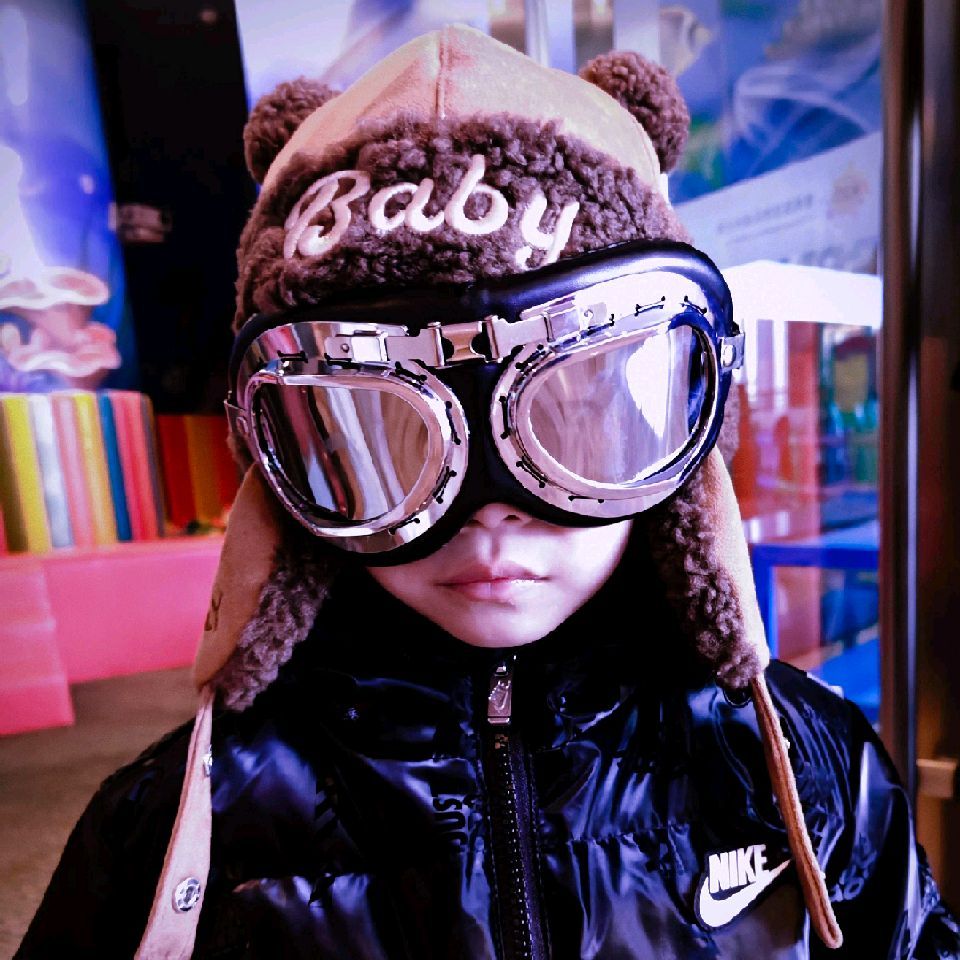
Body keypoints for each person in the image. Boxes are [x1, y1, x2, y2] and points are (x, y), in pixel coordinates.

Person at [17, 25, 960, 959]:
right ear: (285, 471)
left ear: (681, 446)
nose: (489, 508)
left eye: (579, 420)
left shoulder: (802, 769)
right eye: (383, 437)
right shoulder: (178, 827)